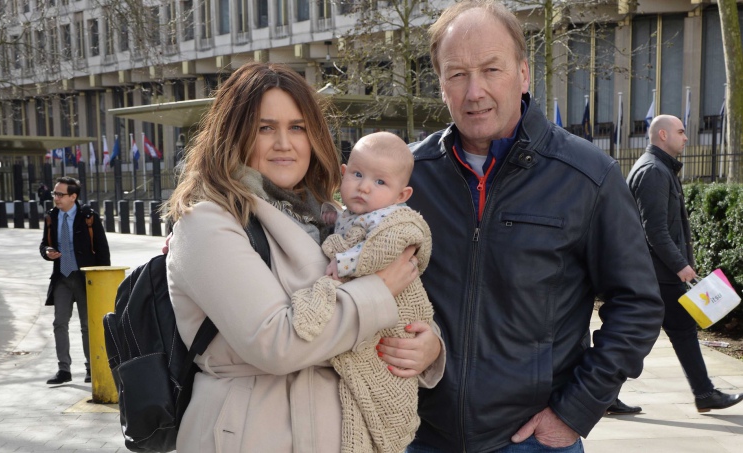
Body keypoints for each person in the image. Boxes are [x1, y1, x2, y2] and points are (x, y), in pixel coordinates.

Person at [403, 1, 665, 452]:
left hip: (532, 440)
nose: (475, 91)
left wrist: (575, 410)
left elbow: (637, 304)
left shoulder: (588, 176)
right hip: (421, 436)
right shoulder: (408, 178)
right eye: (457, 74)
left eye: (491, 69)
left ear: (523, 74)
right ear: (441, 84)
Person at [163, 62, 443, 452]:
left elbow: (396, 304)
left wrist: (427, 347)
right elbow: (276, 344)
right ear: (234, 133)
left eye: (297, 127)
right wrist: (380, 290)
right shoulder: (207, 222)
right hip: (252, 435)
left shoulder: (330, 215)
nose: (284, 143)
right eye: (265, 128)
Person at [291, 131, 435, 453]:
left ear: (402, 194)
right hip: (363, 313)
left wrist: (344, 262)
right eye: (357, 175)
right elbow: (338, 228)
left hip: (396, 317)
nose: (365, 187)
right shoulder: (348, 214)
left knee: (386, 378)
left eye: (380, 182)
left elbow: (386, 248)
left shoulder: (394, 218)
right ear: (343, 173)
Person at [621, 114, 743, 413]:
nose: (686, 137)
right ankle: (596, 392)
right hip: (658, 274)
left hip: (657, 272)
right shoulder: (653, 171)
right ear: (663, 135)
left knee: (673, 332)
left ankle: (704, 393)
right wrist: (680, 265)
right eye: (681, 131)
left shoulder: (659, 168)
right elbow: (655, 230)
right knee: (640, 336)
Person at [39, 176, 110, 385]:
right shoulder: (51, 217)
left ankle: (91, 368)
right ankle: (64, 369)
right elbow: (44, 244)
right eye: (55, 193)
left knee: (87, 325)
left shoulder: (88, 217)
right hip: (61, 277)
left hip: (84, 278)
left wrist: (101, 280)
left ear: (73, 196)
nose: (56, 198)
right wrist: (47, 251)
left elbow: (102, 250)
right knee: (59, 323)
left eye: (60, 194)